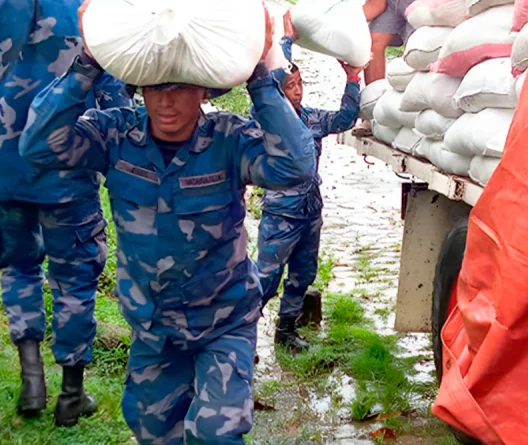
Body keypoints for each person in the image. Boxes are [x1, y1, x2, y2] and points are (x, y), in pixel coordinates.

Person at [19, 4, 316, 442]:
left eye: (180, 88)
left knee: (215, 434)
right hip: (153, 327)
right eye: (155, 89)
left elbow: (296, 167)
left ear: (203, 92)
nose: (167, 101)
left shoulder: (229, 140)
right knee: (152, 430)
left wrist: (260, 77)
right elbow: (38, 145)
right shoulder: (115, 136)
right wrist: (87, 63)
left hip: (224, 322)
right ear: (140, 90)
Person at [0, 0, 132, 426]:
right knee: (75, 275)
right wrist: (125, 158)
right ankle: (72, 394)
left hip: (3, 167)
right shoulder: (88, 8)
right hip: (69, 162)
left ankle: (32, 381)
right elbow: (112, 85)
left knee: (17, 266)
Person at [255, 11, 362, 351]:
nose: (298, 91)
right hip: (281, 212)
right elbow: (270, 80)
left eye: (301, 84)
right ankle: (237, 334)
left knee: (303, 272)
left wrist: (353, 80)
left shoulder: (312, 118)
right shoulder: (267, 119)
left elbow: (344, 119)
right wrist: (284, 42)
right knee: (266, 278)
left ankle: (286, 330)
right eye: (291, 86)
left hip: (309, 210)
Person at [363, 0, 416, 85]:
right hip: (392, 3)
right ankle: (374, 94)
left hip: (424, 4)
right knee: (373, 42)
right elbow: (376, 5)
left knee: (416, 50)